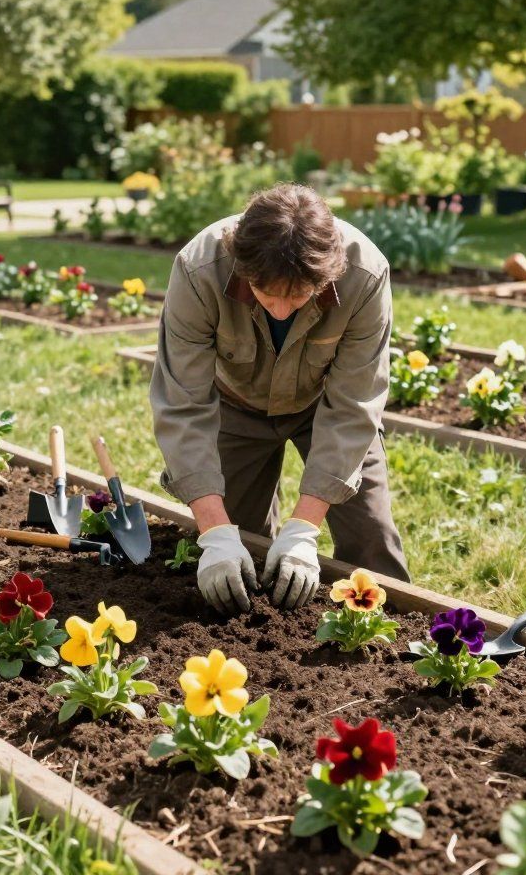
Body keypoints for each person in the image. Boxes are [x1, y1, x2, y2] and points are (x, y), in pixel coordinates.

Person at [150, 183, 410, 616]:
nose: (282, 311)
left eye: (299, 296)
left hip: (326, 406)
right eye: (268, 294)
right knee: (239, 554)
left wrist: (305, 528)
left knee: (371, 538)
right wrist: (215, 532)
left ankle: (395, 640)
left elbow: (354, 404)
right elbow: (183, 405)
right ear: (242, 266)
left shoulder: (364, 274)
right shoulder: (199, 271)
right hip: (236, 404)